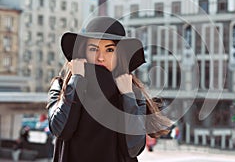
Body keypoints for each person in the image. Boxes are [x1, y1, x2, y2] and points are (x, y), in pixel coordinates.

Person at [47, 16, 172, 162]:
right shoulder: (61, 86)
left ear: (120, 55)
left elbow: (133, 147)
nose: (101, 57)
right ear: (83, 52)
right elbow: (61, 129)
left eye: (110, 50)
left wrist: (127, 96)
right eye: (94, 49)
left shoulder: (132, 93)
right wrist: (76, 81)